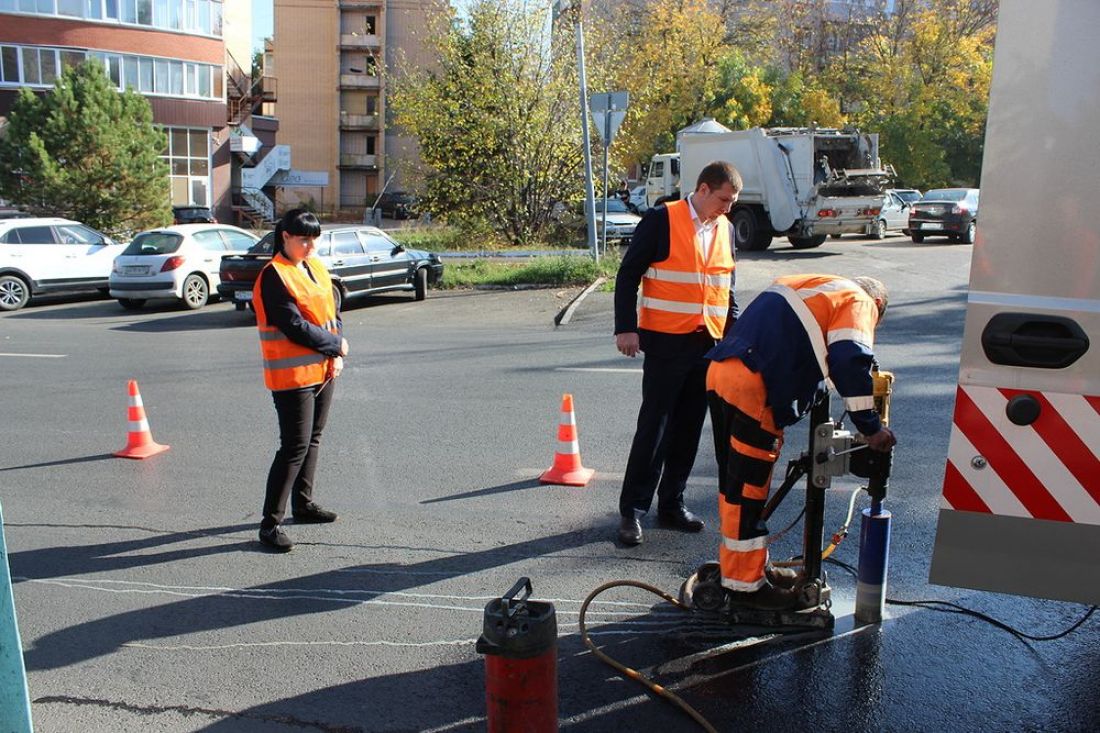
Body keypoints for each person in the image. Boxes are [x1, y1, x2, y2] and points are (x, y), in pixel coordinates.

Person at [705, 274, 897, 609]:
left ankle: (749, 568)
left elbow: (794, 342)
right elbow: (849, 358)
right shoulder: (859, 301)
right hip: (754, 388)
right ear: (877, 306)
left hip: (723, 374)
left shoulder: (813, 286)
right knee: (747, 491)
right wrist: (870, 428)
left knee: (734, 487)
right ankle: (745, 587)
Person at [614, 161, 742, 546]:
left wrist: (737, 341)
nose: (728, 207)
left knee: (688, 429)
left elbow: (727, 289)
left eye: (732, 201)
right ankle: (632, 512)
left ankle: (672, 504)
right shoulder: (661, 219)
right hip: (666, 342)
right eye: (723, 199)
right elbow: (628, 274)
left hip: (708, 345)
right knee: (654, 429)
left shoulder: (726, 230)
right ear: (703, 189)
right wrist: (626, 328)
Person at [253, 208, 349, 552]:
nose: (310, 246)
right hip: (292, 376)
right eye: (303, 240)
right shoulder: (274, 275)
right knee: (293, 447)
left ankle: (303, 505)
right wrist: (336, 346)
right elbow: (292, 325)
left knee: (313, 439)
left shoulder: (315, 267)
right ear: (286, 238)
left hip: (323, 369)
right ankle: (270, 524)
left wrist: (335, 353)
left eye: (314, 239)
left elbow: (332, 313)